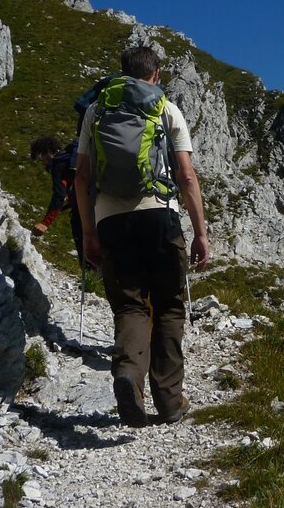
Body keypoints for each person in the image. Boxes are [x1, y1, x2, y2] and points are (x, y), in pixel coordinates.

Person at [74, 45, 209, 427]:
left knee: (130, 306)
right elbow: (186, 176)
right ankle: (169, 401)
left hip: (111, 222)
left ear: (122, 71)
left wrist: (88, 232)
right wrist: (200, 233)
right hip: (160, 216)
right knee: (168, 305)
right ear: (157, 73)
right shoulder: (165, 108)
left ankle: (129, 376)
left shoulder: (96, 111)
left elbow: (81, 177)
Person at [29, 135, 85, 270]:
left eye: (41, 157)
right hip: (99, 203)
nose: (43, 163)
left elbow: (59, 196)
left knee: (81, 236)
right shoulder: (70, 159)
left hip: (83, 209)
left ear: (48, 152)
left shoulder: (58, 164)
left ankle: (88, 272)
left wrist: (45, 223)